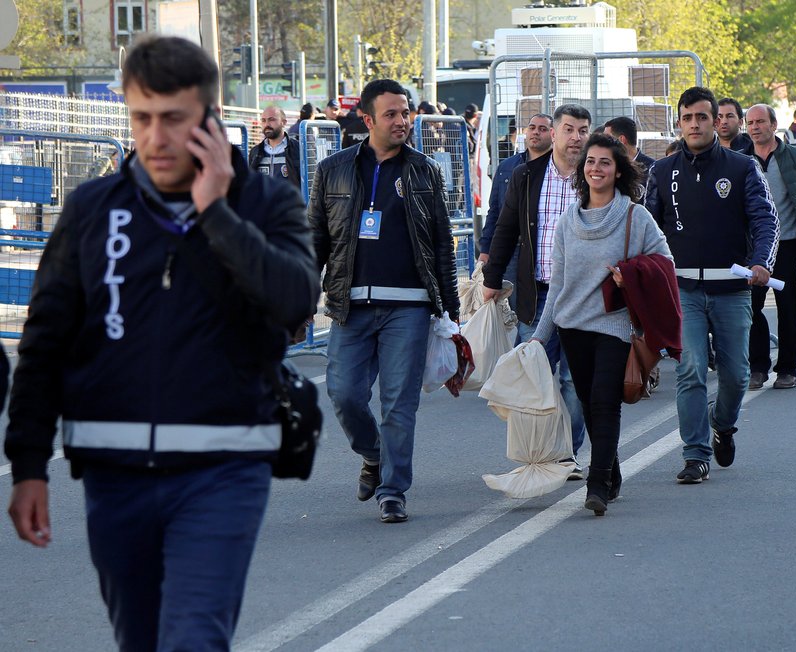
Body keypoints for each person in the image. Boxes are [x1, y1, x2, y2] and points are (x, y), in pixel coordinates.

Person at [4, 34, 319, 650]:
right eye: (141, 118)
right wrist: (28, 466)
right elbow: (44, 342)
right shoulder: (95, 207)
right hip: (113, 469)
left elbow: (295, 302)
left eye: (172, 119)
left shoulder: (263, 202)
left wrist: (217, 214)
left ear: (207, 119)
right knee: (142, 642)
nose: (155, 137)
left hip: (225, 465)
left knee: (193, 640)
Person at [307, 79, 460, 523]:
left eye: (405, 112)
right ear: (368, 120)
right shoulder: (332, 170)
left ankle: (393, 490)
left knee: (398, 402)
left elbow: (441, 245)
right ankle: (373, 456)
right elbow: (316, 241)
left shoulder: (424, 170)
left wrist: (450, 309)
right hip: (349, 306)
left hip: (408, 307)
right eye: (392, 114)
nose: (402, 121)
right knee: (344, 393)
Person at [530, 133, 673, 514]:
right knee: (590, 405)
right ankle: (612, 471)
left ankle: (596, 484)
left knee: (604, 401)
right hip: (571, 326)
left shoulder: (635, 217)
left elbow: (665, 264)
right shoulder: (566, 222)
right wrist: (539, 339)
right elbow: (557, 286)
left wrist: (634, 276)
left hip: (614, 325)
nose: (596, 168)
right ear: (583, 170)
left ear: (617, 170)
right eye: (590, 162)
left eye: (605, 162)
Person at [646, 86, 779, 483]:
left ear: (717, 121)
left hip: (732, 288)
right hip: (681, 289)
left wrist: (761, 262)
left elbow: (766, 220)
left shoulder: (741, 167)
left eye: (702, 117)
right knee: (691, 370)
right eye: (687, 118)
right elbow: (646, 229)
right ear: (679, 122)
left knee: (737, 375)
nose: (695, 124)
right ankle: (695, 454)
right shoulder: (661, 171)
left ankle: (722, 424)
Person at [482, 104, 592, 478]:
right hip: (537, 294)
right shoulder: (527, 175)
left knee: (574, 381)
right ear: (554, 134)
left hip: (583, 297)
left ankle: (567, 454)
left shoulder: (596, 175)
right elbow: (506, 227)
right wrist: (492, 279)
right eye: (569, 129)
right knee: (533, 374)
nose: (575, 137)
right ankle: (538, 448)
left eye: (582, 130)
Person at [742, 104, 796, 390]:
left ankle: (788, 368)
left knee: (789, 309)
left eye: (760, 122)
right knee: (750, 308)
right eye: (750, 123)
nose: (755, 127)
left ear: (774, 124)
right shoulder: (739, 161)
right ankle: (758, 367)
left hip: (790, 244)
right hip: (753, 249)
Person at [478, 113, 553, 310]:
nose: (536, 132)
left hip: (538, 250)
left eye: (543, 128)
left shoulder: (554, 169)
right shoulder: (507, 167)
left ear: (553, 134)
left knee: (534, 307)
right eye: (532, 127)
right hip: (509, 250)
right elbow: (494, 211)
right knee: (512, 310)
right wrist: (485, 250)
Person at [249, 105, 301, 190]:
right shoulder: (255, 152)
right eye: (263, 120)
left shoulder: (298, 149)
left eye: (271, 120)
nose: (267, 124)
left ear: (283, 122)